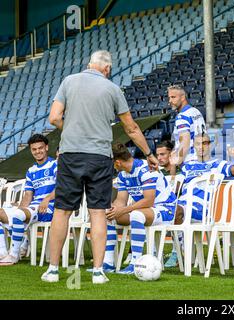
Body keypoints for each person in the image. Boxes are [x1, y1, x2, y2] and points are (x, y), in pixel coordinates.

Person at [43, 50, 158, 284]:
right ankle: (98, 272)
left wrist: (72, 131)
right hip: (99, 157)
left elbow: (54, 118)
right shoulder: (113, 89)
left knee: (62, 211)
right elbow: (132, 128)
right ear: (107, 69)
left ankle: (53, 270)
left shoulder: (69, 81)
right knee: (97, 213)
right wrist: (148, 154)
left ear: (89, 64)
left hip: (70, 155)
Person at [164, 133, 234, 267]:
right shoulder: (188, 166)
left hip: (202, 209)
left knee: (175, 211)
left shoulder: (218, 164)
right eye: (197, 144)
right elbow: (174, 183)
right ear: (194, 146)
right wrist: (172, 165)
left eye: (204, 143)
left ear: (210, 145)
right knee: (166, 210)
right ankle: (173, 252)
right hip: (183, 205)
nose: (201, 147)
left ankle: (180, 252)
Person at [103, 143, 177, 274]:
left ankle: (135, 263)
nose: (112, 166)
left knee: (136, 215)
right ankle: (108, 263)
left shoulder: (146, 169)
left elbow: (149, 200)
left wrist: (124, 210)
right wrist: (114, 209)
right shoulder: (123, 175)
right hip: (147, 211)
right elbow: (121, 200)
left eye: (112, 163)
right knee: (108, 215)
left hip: (165, 209)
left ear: (118, 162)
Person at [0, 134, 57, 265]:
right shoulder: (31, 170)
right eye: (34, 149)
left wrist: (47, 199)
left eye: (40, 148)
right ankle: (2, 252)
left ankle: (14, 255)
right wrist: (19, 209)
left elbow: (61, 187)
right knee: (7, 213)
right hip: (34, 208)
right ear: (31, 151)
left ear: (46, 147)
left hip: (49, 208)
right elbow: (27, 196)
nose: (38, 151)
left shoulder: (55, 165)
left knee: (19, 215)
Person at [168, 85, 206, 169]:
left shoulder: (182, 116)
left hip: (190, 162)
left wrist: (177, 161)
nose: (170, 101)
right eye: (169, 97)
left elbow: (185, 141)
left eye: (173, 97)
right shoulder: (196, 111)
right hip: (202, 158)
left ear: (182, 97)